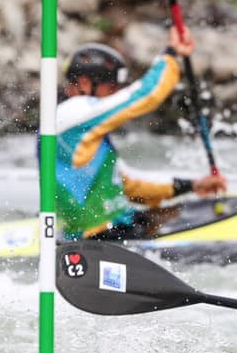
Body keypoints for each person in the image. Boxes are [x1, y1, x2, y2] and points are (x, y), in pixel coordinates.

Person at [56, 28, 227, 241]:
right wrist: (172, 53)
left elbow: (131, 186)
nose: (116, 94)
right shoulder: (71, 113)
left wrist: (192, 185)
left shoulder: (85, 135)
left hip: (116, 227)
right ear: (83, 84)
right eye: (111, 87)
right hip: (97, 239)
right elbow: (145, 94)